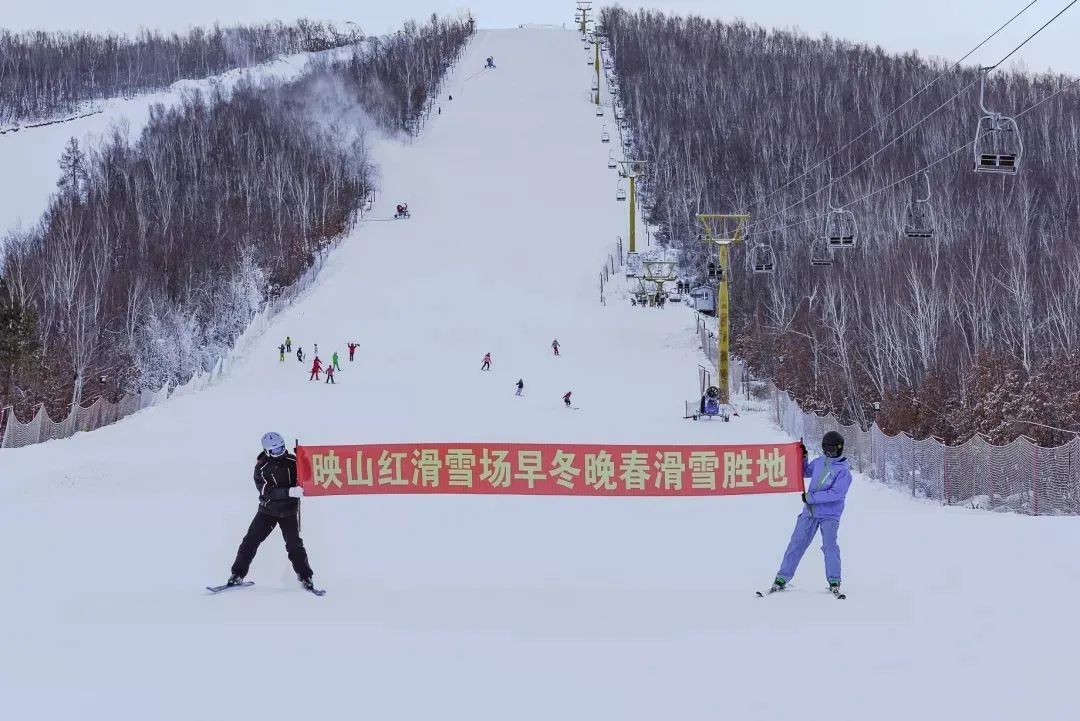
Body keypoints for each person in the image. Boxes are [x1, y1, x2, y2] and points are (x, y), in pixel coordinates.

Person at [224, 432, 315, 592]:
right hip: (268, 510)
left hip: (288, 511)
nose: (279, 452)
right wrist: (290, 492)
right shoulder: (261, 468)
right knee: (250, 541)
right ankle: (237, 574)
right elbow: (268, 492)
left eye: (281, 448)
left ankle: (305, 576)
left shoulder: (293, 461)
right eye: (275, 451)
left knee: (294, 545)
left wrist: (303, 458)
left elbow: (308, 475)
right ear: (267, 451)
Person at [767, 431, 852, 596]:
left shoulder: (843, 472)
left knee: (829, 546)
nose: (829, 453)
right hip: (810, 512)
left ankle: (834, 580)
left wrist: (811, 497)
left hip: (830, 515)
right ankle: (782, 577)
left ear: (839, 449)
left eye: (832, 450)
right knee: (796, 543)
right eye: (826, 449)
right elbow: (805, 472)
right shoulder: (820, 462)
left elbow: (836, 494)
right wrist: (803, 456)